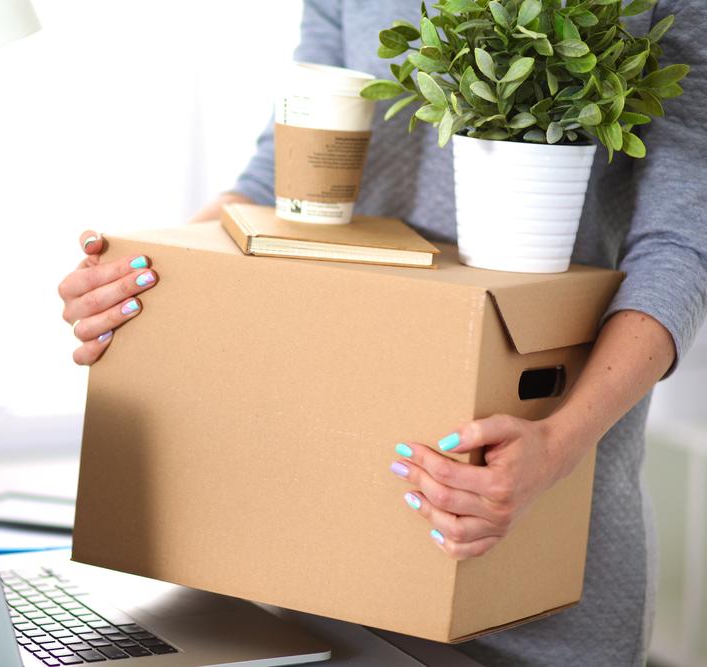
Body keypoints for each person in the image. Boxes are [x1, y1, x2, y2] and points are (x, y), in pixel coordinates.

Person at [57, 2, 707, 665]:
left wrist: (558, 446)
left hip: (535, 534)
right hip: (312, 549)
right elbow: (280, 183)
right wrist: (146, 280)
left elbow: (680, 248)